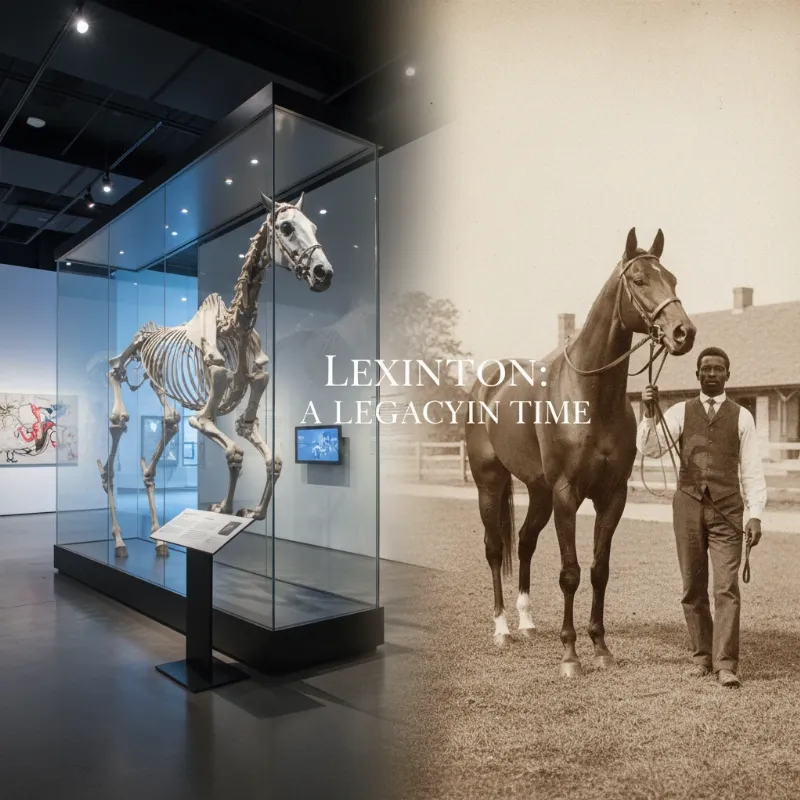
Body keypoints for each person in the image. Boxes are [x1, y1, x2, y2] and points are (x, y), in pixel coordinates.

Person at [637, 346, 766, 688]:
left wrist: (755, 515)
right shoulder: (680, 411)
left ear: (728, 375)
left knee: (726, 586)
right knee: (692, 586)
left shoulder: (743, 417)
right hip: (688, 506)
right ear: (696, 375)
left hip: (727, 509)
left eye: (718, 369)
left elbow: (752, 470)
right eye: (705, 368)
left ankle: (726, 664)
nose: (711, 373)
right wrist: (649, 411)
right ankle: (702, 657)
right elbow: (651, 448)